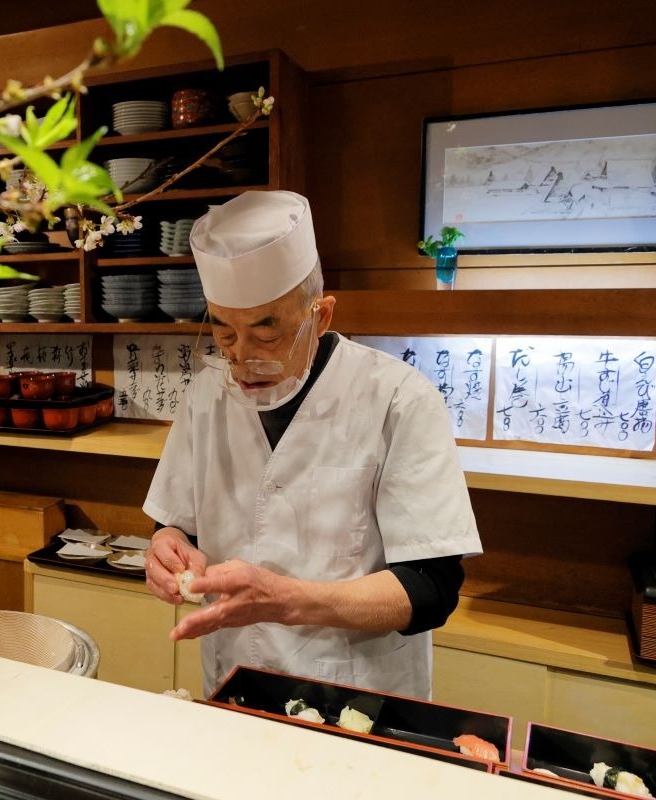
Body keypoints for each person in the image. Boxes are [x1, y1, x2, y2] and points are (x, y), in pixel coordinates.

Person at [142, 190, 482, 700]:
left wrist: (284, 599)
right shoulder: (207, 395)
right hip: (235, 680)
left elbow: (431, 589)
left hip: (356, 696)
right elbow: (176, 523)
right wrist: (165, 546)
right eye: (224, 332)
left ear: (320, 317)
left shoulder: (397, 398)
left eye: (266, 331)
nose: (242, 359)